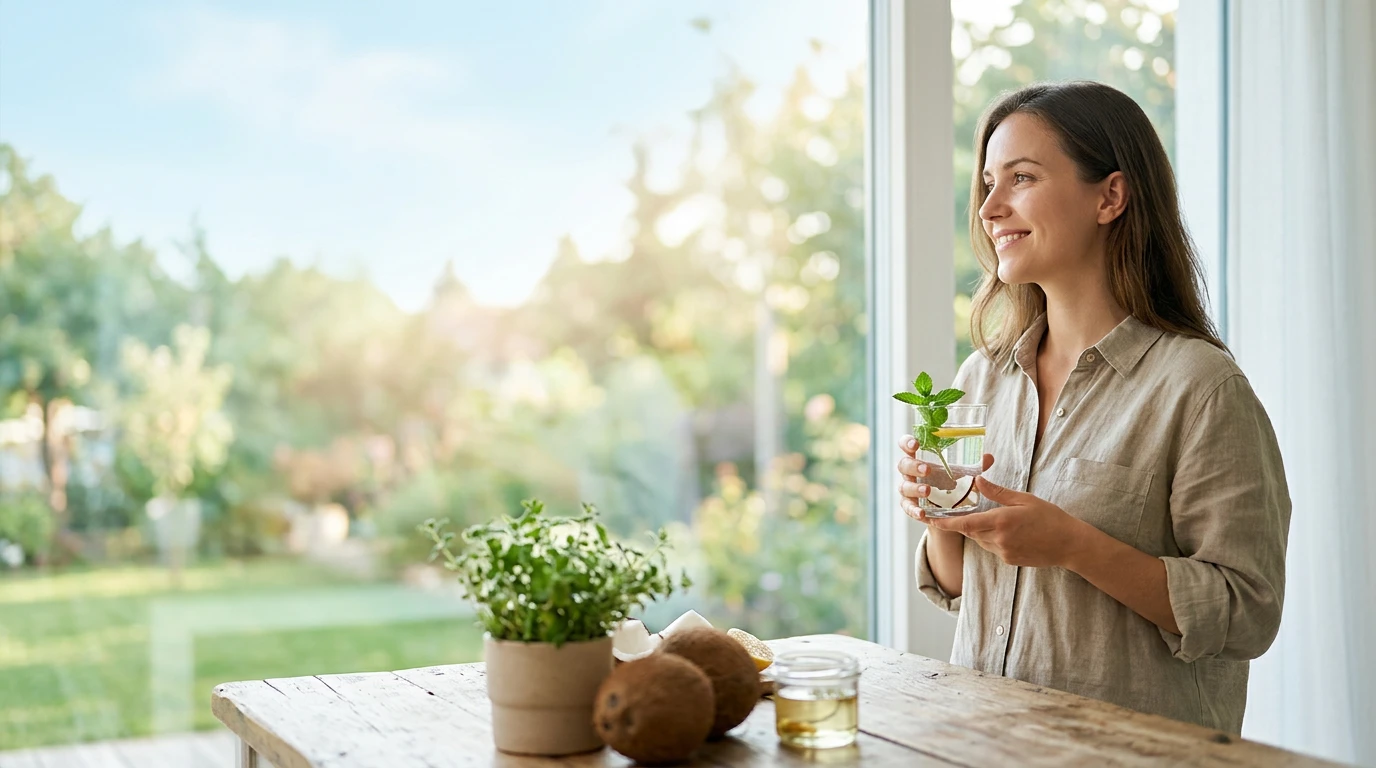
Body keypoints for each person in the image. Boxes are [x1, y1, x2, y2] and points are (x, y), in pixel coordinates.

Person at [898, 81, 1291, 734]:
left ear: (1110, 196)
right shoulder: (981, 377)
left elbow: (1247, 613)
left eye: (1022, 178)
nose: (990, 208)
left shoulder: (1200, 389)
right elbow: (960, 587)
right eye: (988, 183)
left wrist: (1073, 546)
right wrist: (940, 513)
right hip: (986, 742)